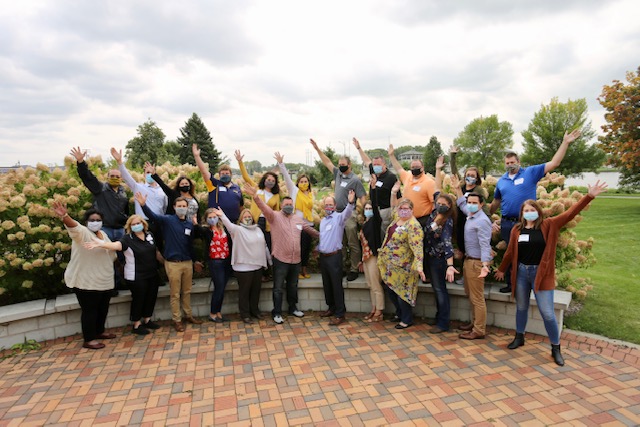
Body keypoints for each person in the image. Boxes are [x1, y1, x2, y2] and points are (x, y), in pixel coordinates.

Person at [495, 181, 608, 366]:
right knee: (521, 307)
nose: (528, 212)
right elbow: (510, 252)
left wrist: (589, 196)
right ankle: (519, 336)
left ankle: (556, 347)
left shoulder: (549, 225)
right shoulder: (517, 229)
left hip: (542, 274)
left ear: (538, 211)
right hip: (522, 273)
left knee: (547, 313)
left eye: (532, 209)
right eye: (525, 210)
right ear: (522, 213)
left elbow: (570, 213)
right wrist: (501, 269)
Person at [490, 129, 582, 293]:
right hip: (507, 223)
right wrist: (487, 217)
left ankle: (530, 284)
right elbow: (496, 201)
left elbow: (554, 163)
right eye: (507, 163)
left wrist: (565, 142)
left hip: (527, 221)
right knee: (511, 254)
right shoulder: (501, 181)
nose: (510, 165)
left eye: (513, 162)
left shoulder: (531, 172)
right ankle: (512, 286)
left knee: (528, 253)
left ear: (519, 161)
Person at [243, 181, 319, 324]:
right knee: (278, 288)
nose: (289, 206)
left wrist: (327, 236)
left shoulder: (298, 219)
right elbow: (264, 208)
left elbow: (311, 231)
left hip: (295, 260)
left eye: (291, 204)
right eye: (286, 204)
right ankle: (276, 312)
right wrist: (256, 197)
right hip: (280, 259)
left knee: (293, 286)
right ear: (282, 206)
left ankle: (293, 308)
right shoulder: (274, 217)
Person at [52, 201, 117, 350]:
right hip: (86, 281)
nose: (95, 222)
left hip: (104, 280)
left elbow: (111, 253)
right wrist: (65, 216)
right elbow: (73, 226)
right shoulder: (82, 233)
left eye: (98, 220)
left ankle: (99, 331)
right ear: (87, 222)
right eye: (92, 220)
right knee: (90, 310)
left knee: (103, 309)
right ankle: (89, 339)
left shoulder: (104, 234)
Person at [83, 214, 162, 336]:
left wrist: (166, 263)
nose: (137, 226)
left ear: (143, 224)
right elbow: (116, 246)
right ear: (129, 226)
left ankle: (147, 319)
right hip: (136, 275)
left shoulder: (149, 236)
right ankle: (136, 324)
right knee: (139, 298)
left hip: (151, 273)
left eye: (138, 223)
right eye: (133, 224)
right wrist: (100, 244)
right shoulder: (127, 239)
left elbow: (155, 252)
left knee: (151, 296)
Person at [138, 193, 203, 331]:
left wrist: (195, 260)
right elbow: (153, 217)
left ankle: (188, 315)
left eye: (184, 206)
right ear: (174, 207)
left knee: (187, 291)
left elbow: (190, 244)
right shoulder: (168, 220)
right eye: (179, 206)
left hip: (187, 262)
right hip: (173, 263)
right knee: (175, 293)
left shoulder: (189, 224)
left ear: (187, 208)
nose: (181, 208)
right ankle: (177, 319)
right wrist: (143, 205)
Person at [71, 146, 129, 293]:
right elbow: (87, 177)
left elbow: (125, 211)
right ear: (107, 177)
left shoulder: (123, 192)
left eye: (118, 176)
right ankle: (113, 285)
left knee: (123, 257)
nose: (115, 178)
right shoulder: (100, 189)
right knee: (108, 257)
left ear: (121, 178)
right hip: (106, 229)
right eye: (112, 176)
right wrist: (80, 162)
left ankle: (123, 281)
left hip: (120, 229)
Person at [310, 138, 366, 281]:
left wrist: (366, 214)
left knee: (353, 243)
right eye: (339, 164)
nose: (340, 166)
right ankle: (342, 268)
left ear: (349, 164)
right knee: (340, 243)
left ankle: (354, 269)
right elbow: (327, 162)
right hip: (336, 214)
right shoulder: (338, 174)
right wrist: (317, 149)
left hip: (349, 214)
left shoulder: (355, 180)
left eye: (343, 165)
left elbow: (363, 198)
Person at [452, 176, 493, 340]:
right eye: (470, 202)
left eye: (475, 203)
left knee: (477, 298)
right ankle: (474, 323)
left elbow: (485, 245)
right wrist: (457, 188)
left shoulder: (482, 221)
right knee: (471, 295)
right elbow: (461, 203)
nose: (471, 204)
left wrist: (485, 265)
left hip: (476, 263)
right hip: (469, 261)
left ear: (482, 204)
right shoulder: (471, 214)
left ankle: (479, 330)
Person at [213, 207, 268, 324]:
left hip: (257, 266)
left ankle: (255, 311)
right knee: (244, 292)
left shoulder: (257, 229)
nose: (248, 218)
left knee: (256, 291)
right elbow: (228, 224)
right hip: (243, 268)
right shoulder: (237, 230)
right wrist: (221, 215)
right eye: (245, 217)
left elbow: (264, 245)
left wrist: (269, 260)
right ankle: (245, 314)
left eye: (249, 217)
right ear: (241, 219)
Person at [377, 198, 425, 329]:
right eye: (401, 208)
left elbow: (417, 247)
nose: (403, 211)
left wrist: (419, 266)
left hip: (404, 266)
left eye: (406, 209)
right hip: (390, 265)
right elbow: (392, 206)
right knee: (391, 290)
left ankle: (406, 319)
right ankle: (399, 313)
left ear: (411, 210)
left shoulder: (414, 226)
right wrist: (393, 192)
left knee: (402, 293)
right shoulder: (396, 219)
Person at [110, 148, 168, 253]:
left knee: (159, 249)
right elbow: (126, 177)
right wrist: (119, 162)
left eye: (152, 172)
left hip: (158, 224)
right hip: (143, 224)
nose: (149, 175)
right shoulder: (138, 187)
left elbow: (164, 208)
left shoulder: (162, 191)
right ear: (144, 175)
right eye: (147, 173)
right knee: (144, 250)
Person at [317, 190, 356, 326]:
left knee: (336, 286)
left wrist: (350, 202)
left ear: (335, 206)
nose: (328, 207)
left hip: (334, 257)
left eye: (330, 205)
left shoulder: (339, 218)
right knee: (327, 285)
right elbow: (323, 238)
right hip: (324, 257)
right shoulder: (322, 221)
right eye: (326, 205)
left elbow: (348, 213)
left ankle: (340, 314)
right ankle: (331, 308)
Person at [422, 190, 458, 334]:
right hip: (429, 256)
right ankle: (439, 317)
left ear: (450, 206)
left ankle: (443, 322)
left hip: (440, 259)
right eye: (439, 203)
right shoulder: (433, 215)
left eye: (444, 204)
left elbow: (447, 242)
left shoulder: (447, 220)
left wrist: (450, 264)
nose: (440, 205)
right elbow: (427, 231)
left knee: (440, 290)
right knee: (436, 290)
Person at [275, 152, 315, 279]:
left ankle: (304, 269)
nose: (304, 183)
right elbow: (286, 177)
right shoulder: (294, 191)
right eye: (302, 181)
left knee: (306, 249)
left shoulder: (310, 194)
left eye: (306, 181)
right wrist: (281, 164)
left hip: (308, 224)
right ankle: (297, 271)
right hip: (296, 225)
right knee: (297, 249)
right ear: (298, 183)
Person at [353, 137, 398, 236]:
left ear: (384, 164)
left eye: (378, 164)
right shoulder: (374, 172)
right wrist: (359, 148)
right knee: (374, 233)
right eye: (374, 164)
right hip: (373, 209)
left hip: (385, 210)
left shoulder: (391, 177)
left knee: (383, 234)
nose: (375, 166)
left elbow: (398, 196)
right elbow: (366, 161)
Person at [193, 208, 232, 323]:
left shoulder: (223, 228)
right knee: (218, 288)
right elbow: (199, 230)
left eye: (214, 217)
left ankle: (218, 312)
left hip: (226, 261)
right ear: (206, 219)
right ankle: (212, 313)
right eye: (209, 217)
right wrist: (195, 223)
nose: (212, 219)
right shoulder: (207, 231)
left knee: (222, 288)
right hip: (215, 262)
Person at [448, 146, 488, 258]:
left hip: (471, 221)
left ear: (477, 178)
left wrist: (489, 221)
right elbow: (454, 171)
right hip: (459, 220)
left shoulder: (478, 190)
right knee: (460, 246)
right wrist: (453, 156)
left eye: (473, 176)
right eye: (468, 175)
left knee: (470, 246)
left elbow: (483, 206)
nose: (470, 177)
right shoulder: (461, 186)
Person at [192, 144, 244, 224]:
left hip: (234, 223)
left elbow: (241, 206)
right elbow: (204, 172)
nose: (225, 175)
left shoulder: (237, 188)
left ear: (231, 175)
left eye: (227, 173)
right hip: (218, 222)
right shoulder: (214, 184)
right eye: (222, 173)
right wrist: (197, 156)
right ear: (219, 175)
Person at [388, 144, 436, 227]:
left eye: (417, 167)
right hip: (407, 218)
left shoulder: (429, 182)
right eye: (413, 167)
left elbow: (434, 203)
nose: (415, 169)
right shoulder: (407, 177)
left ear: (422, 168)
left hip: (422, 219)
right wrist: (391, 156)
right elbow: (399, 168)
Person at [358, 194, 384, 323]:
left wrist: (373, 188)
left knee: (376, 285)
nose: (368, 210)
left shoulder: (374, 223)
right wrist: (360, 261)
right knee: (370, 285)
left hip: (373, 257)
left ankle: (379, 310)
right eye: (366, 208)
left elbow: (374, 205)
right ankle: (373, 308)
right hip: (365, 258)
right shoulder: (364, 224)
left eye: (370, 208)